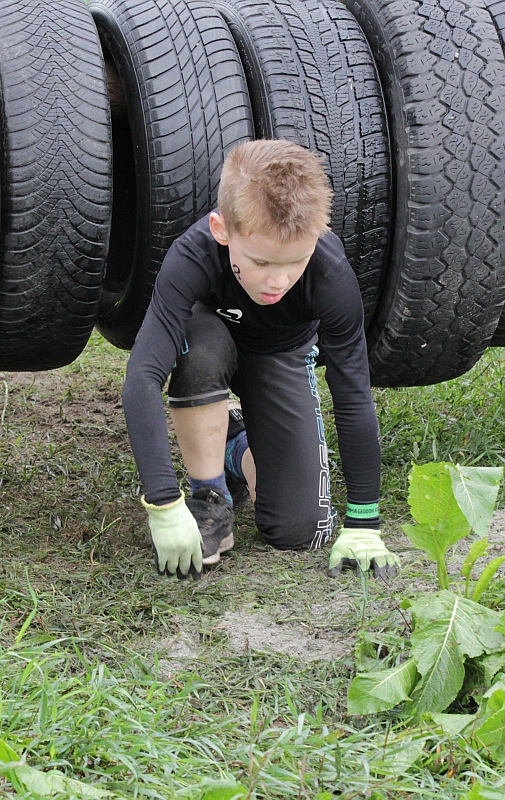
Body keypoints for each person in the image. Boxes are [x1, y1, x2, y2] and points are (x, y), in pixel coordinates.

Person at [121, 139, 400, 580]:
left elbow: (352, 395)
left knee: (299, 529)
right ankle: (209, 499)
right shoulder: (191, 255)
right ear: (221, 230)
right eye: (262, 261)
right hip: (209, 339)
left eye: (295, 262)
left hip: (280, 352)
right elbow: (142, 376)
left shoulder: (330, 275)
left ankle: (236, 444)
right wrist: (162, 503)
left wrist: (365, 521)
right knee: (200, 345)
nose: (279, 280)